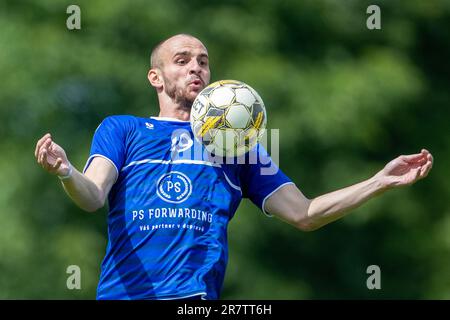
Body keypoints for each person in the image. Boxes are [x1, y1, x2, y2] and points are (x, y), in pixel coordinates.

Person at [34, 34, 433, 300]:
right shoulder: (123, 129)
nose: (196, 68)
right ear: (156, 77)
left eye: (203, 62)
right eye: (183, 60)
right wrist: (67, 171)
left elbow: (304, 213)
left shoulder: (239, 146)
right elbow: (92, 196)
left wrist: (379, 182)